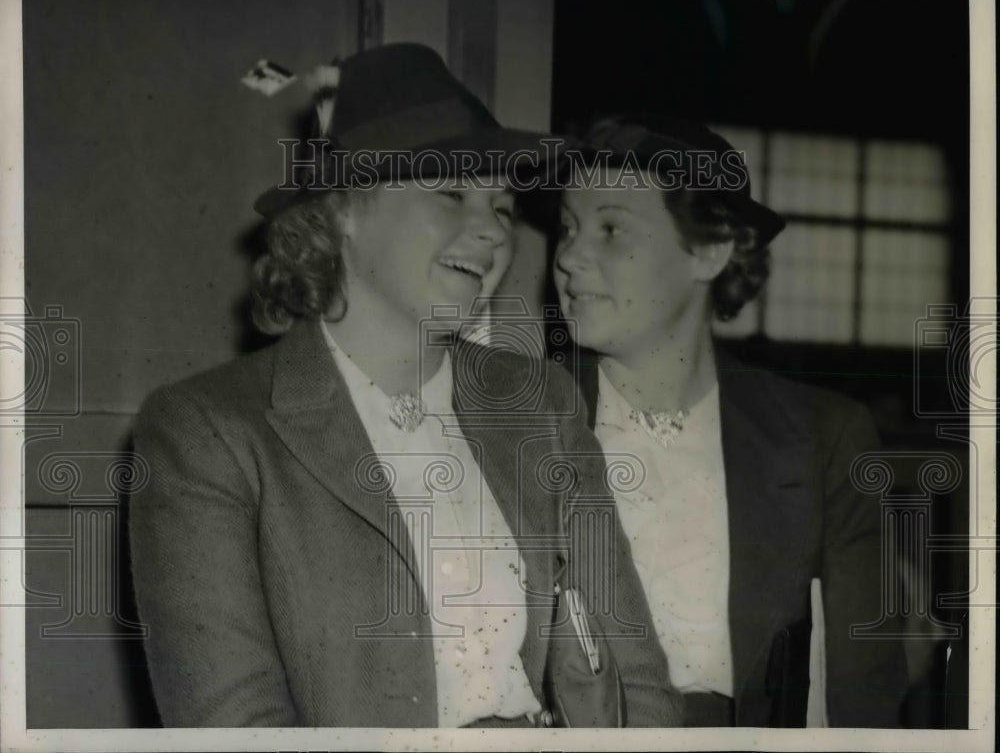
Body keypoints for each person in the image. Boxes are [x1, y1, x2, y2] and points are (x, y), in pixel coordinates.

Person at [128, 45, 681, 728]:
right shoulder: (205, 432)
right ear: (341, 214)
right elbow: (235, 726)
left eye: (503, 209)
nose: (489, 232)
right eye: (450, 194)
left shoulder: (543, 405)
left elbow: (639, 684)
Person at [551, 114, 910, 727]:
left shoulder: (824, 440)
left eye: (611, 229)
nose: (570, 257)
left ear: (710, 251)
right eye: (568, 228)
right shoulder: (519, 412)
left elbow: (863, 695)